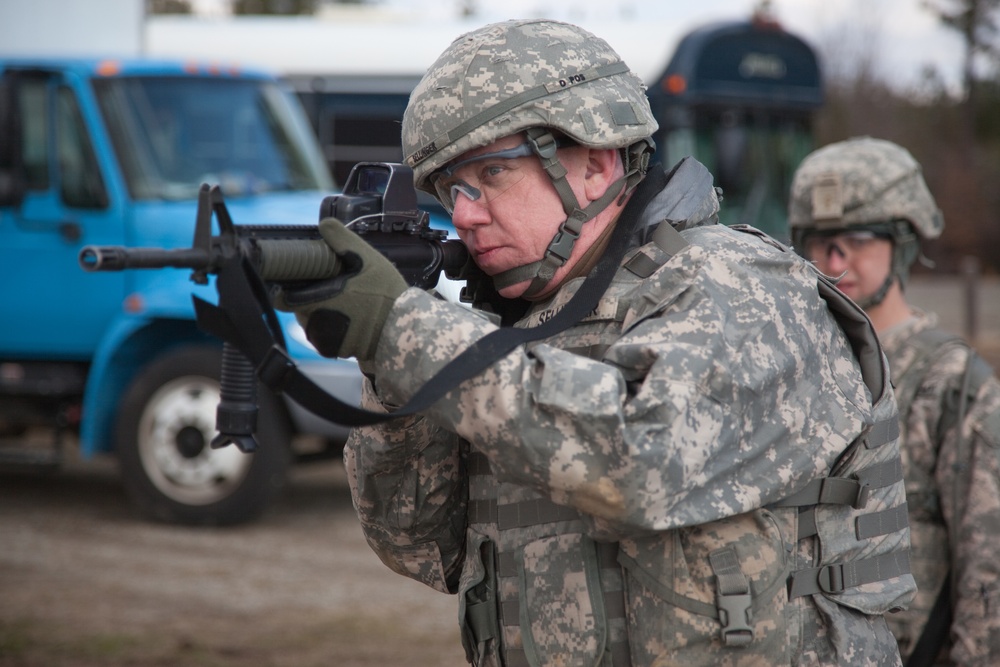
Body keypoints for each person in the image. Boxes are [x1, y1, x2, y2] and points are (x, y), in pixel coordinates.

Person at [282, 20, 916, 666]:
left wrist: (404, 328)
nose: (465, 214)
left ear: (595, 163)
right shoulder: (519, 328)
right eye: (451, 190)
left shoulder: (741, 285)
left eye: (492, 173)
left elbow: (642, 459)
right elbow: (416, 541)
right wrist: (386, 361)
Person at [789, 136, 1000, 667]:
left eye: (858, 239)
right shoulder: (795, 370)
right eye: (818, 241)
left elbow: (988, 564)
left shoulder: (949, 382)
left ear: (903, 244)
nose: (835, 260)